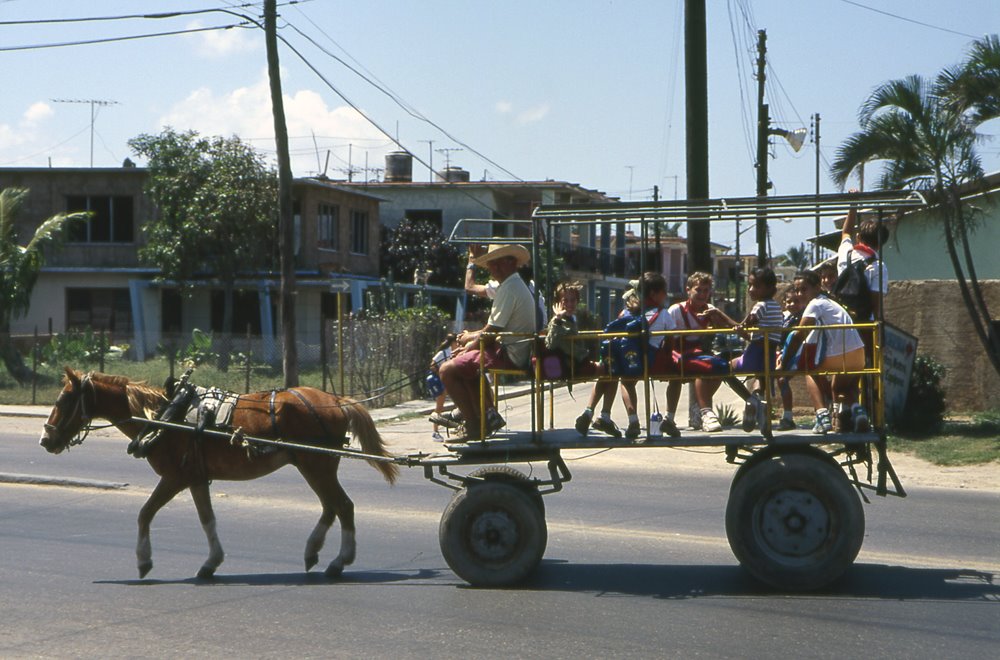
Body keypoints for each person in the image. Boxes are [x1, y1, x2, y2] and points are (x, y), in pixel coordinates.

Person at [438, 243, 537, 441]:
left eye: (497, 263)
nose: (493, 268)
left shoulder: (510, 288)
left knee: (446, 370)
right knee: (465, 364)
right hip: (512, 348)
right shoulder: (511, 285)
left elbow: (491, 332)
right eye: (492, 264)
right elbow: (492, 329)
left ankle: (473, 424)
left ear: (509, 263)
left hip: (511, 353)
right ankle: (484, 415)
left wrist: (467, 345)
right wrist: (470, 342)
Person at [779, 270, 867, 434]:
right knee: (840, 387)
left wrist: (785, 363)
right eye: (797, 290)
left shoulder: (815, 304)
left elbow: (799, 335)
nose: (799, 294)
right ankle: (858, 412)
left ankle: (821, 416)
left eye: (804, 289)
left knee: (809, 370)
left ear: (817, 288)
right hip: (859, 354)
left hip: (841, 356)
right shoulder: (831, 303)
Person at [700, 267, 783, 432]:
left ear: (769, 288)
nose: (751, 290)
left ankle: (750, 401)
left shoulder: (760, 306)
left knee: (726, 369)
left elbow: (741, 326)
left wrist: (719, 313)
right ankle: (758, 404)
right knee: (760, 379)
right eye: (750, 285)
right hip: (769, 353)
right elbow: (753, 334)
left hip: (755, 352)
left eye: (756, 286)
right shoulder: (776, 307)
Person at [665, 272, 730, 432]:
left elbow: (725, 329)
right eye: (698, 290)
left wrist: (715, 321)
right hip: (677, 351)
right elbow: (667, 337)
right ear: (689, 290)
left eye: (706, 291)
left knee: (722, 367)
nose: (702, 294)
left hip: (697, 352)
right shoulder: (676, 310)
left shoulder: (710, 310)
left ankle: (700, 407)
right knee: (680, 377)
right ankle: (670, 417)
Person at [465, 245, 547, 327]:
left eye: (499, 263)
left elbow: (469, 287)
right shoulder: (532, 286)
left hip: (521, 337)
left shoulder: (508, 286)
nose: (495, 267)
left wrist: (472, 258)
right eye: (492, 263)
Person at [776, 289, 804, 430]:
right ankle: (760, 411)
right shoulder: (784, 318)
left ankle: (787, 417)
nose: (792, 304)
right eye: (789, 302)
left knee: (782, 379)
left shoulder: (803, 318)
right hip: (783, 352)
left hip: (798, 353)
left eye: (796, 301)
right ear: (784, 303)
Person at [428, 333, 459, 441]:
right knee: (439, 407)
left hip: (451, 382)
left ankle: (458, 427)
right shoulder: (443, 353)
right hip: (442, 383)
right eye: (457, 342)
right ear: (453, 342)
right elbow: (433, 365)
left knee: (459, 405)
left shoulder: (456, 352)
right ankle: (435, 432)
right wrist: (441, 374)